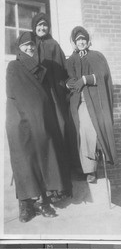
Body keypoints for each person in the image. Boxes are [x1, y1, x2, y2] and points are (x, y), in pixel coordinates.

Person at [6, 31, 69, 222]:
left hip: (38, 118)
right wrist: (35, 111)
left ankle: (43, 202)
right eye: (25, 45)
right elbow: (17, 92)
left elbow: (44, 95)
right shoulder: (14, 66)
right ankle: (25, 205)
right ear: (19, 47)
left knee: (43, 155)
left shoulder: (41, 69)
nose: (30, 48)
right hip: (20, 118)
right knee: (24, 159)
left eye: (32, 45)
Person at [66, 26, 117, 183]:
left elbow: (103, 75)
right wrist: (70, 83)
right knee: (77, 131)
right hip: (77, 102)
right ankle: (81, 167)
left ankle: (91, 170)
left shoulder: (96, 56)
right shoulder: (71, 60)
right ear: (74, 43)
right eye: (78, 40)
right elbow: (66, 78)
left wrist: (86, 79)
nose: (81, 42)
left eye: (83, 39)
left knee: (89, 129)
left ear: (88, 41)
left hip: (94, 102)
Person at [31, 12, 72, 200]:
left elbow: (64, 69)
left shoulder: (54, 45)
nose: (42, 28)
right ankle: (45, 186)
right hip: (37, 97)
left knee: (59, 130)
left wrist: (63, 86)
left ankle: (60, 186)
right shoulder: (29, 46)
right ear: (33, 27)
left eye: (45, 25)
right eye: (39, 25)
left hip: (54, 95)